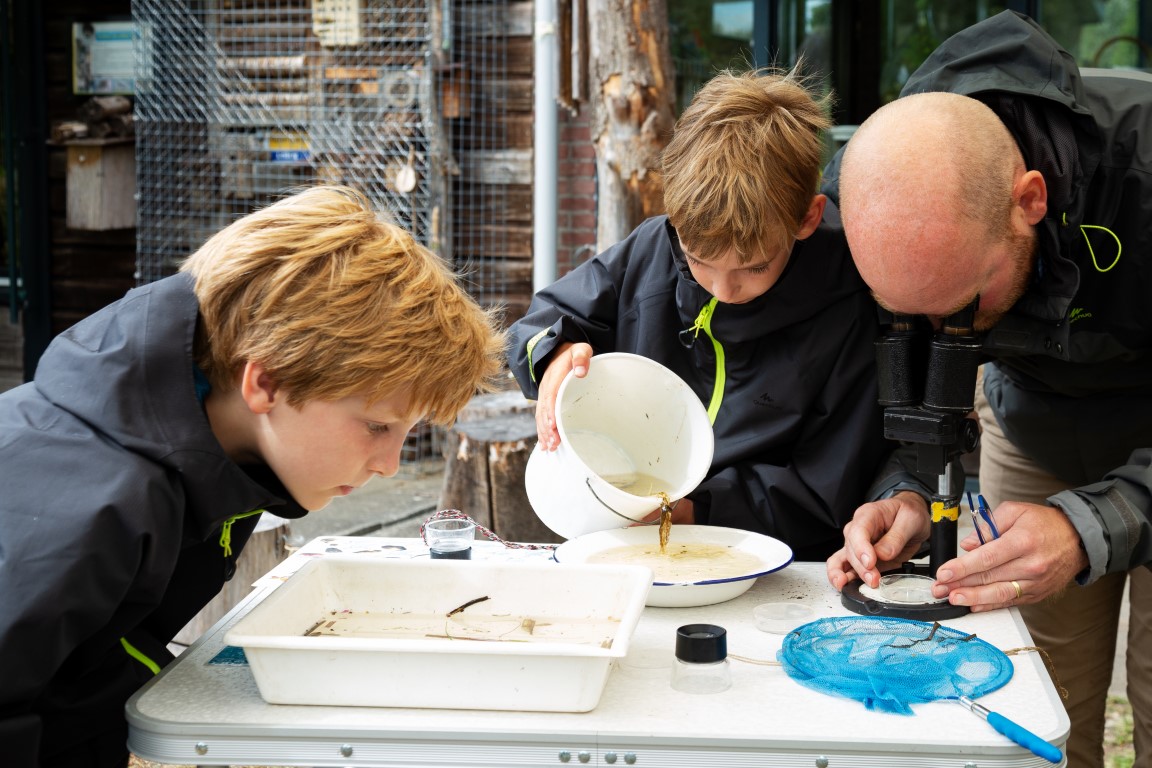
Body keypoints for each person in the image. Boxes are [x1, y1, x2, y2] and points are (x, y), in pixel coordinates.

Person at [0, 185, 506, 767]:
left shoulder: (216, 457)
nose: (389, 465)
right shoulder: (89, 511)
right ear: (264, 383)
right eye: (376, 426)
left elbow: (93, 667)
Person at [820, 11, 1151, 768]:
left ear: (1029, 198)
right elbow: (921, 383)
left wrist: (1090, 526)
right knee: (1038, 699)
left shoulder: (1142, 167)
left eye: (963, 303)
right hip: (1033, 425)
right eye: (913, 311)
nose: (942, 327)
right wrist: (908, 489)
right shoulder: (884, 193)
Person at [508, 68, 898, 561]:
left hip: (766, 555)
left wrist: (696, 510)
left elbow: (827, 488)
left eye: (754, 267)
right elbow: (543, 320)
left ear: (808, 217)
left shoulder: (848, 302)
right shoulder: (654, 247)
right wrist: (553, 354)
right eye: (699, 261)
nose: (724, 289)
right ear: (673, 216)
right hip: (626, 528)